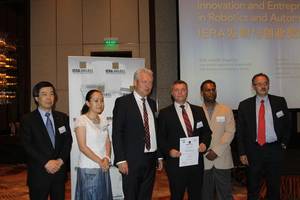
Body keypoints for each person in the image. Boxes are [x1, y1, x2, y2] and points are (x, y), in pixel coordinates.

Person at [237, 73, 291, 200]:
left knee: (274, 188)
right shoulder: (244, 105)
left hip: (274, 150)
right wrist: (242, 152)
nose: (263, 86)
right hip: (253, 151)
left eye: (265, 83)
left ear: (268, 85)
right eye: (259, 84)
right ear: (253, 87)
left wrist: (283, 144)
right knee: (253, 188)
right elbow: (240, 131)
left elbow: (288, 125)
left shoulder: (280, 101)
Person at [112, 68, 163, 200]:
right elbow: (117, 132)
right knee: (131, 196)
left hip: (150, 159)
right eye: (144, 82)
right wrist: (121, 159)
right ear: (135, 82)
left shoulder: (152, 103)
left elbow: (154, 131)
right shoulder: (123, 103)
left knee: (145, 196)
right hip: (131, 161)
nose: (148, 85)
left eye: (150, 82)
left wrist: (159, 156)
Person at [158, 80, 211, 200]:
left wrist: (204, 144)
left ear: (187, 92)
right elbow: (160, 138)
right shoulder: (165, 113)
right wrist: (169, 151)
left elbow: (207, 132)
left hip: (196, 163)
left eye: (183, 90)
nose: (180, 93)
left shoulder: (198, 110)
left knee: (196, 195)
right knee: (177, 196)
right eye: (176, 90)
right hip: (176, 164)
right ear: (172, 93)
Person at [20, 81, 72, 200]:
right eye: (44, 94)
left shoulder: (62, 117)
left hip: (59, 173)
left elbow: (67, 141)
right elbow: (27, 145)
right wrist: (46, 162)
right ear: (36, 98)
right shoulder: (28, 119)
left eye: (52, 94)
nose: (49, 97)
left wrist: (60, 160)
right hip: (39, 173)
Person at [200, 80, 235, 200]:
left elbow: (230, 132)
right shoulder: (196, 111)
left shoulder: (226, 110)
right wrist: (205, 151)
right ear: (202, 93)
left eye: (213, 89)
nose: (211, 92)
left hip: (222, 158)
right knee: (205, 195)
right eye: (207, 90)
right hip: (203, 161)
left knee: (225, 195)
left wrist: (216, 151)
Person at [74, 89, 113, 200]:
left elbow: (107, 141)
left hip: (103, 166)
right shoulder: (81, 120)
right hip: (89, 169)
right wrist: (99, 161)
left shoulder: (103, 120)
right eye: (96, 101)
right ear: (88, 103)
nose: (100, 104)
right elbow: (82, 146)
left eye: (101, 100)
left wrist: (106, 158)